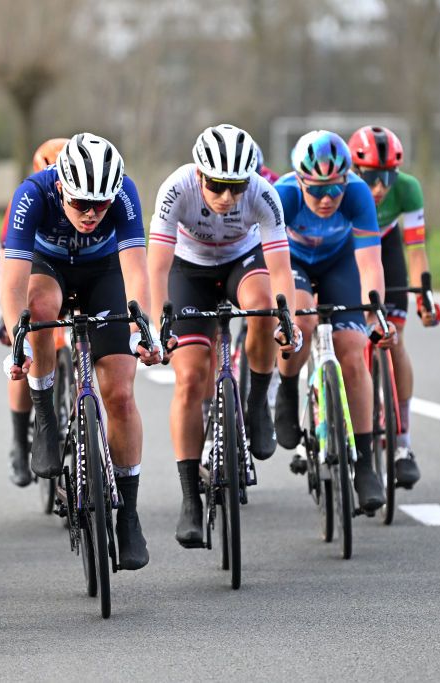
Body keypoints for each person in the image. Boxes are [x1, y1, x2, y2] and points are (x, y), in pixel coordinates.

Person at [2, 133, 163, 570]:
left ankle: (128, 514)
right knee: (39, 307)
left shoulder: (124, 191)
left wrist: (143, 328)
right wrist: (16, 340)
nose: (92, 214)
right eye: (81, 204)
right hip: (48, 268)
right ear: (61, 188)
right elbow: (12, 283)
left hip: (103, 272)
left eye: (101, 204)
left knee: (121, 393)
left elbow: (135, 272)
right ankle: (46, 414)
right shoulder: (32, 193)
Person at [148, 125, 300, 547]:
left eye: (236, 187)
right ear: (199, 175)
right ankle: (190, 500)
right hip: (188, 269)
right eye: (217, 186)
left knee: (264, 307)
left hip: (241, 261)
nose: (227, 198)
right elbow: (156, 267)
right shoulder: (176, 188)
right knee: (191, 378)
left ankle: (256, 406)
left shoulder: (263, 194)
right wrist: (158, 321)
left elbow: (281, 267)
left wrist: (287, 317)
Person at [272, 130, 394, 513]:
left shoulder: (357, 192)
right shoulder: (285, 195)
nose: (326, 200)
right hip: (294, 263)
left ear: (345, 182)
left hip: (340, 264)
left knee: (354, 353)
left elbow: (370, 263)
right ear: (301, 182)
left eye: (334, 191)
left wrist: (375, 313)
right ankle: (288, 391)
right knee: (302, 324)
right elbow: (271, 261)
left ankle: (366, 464)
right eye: (317, 191)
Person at [348, 125, 440, 488]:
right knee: (345, 335)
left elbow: (416, 249)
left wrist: (424, 298)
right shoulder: (345, 188)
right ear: (356, 172)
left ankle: (403, 445)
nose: (379, 188)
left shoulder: (409, 189)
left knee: (396, 338)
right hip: (349, 246)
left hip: (385, 246)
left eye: (387, 177)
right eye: (371, 177)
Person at [0, 137, 68, 487]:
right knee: (27, 350)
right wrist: (8, 319)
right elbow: (9, 262)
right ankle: (18, 437)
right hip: (37, 273)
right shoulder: (26, 198)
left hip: (73, 273)